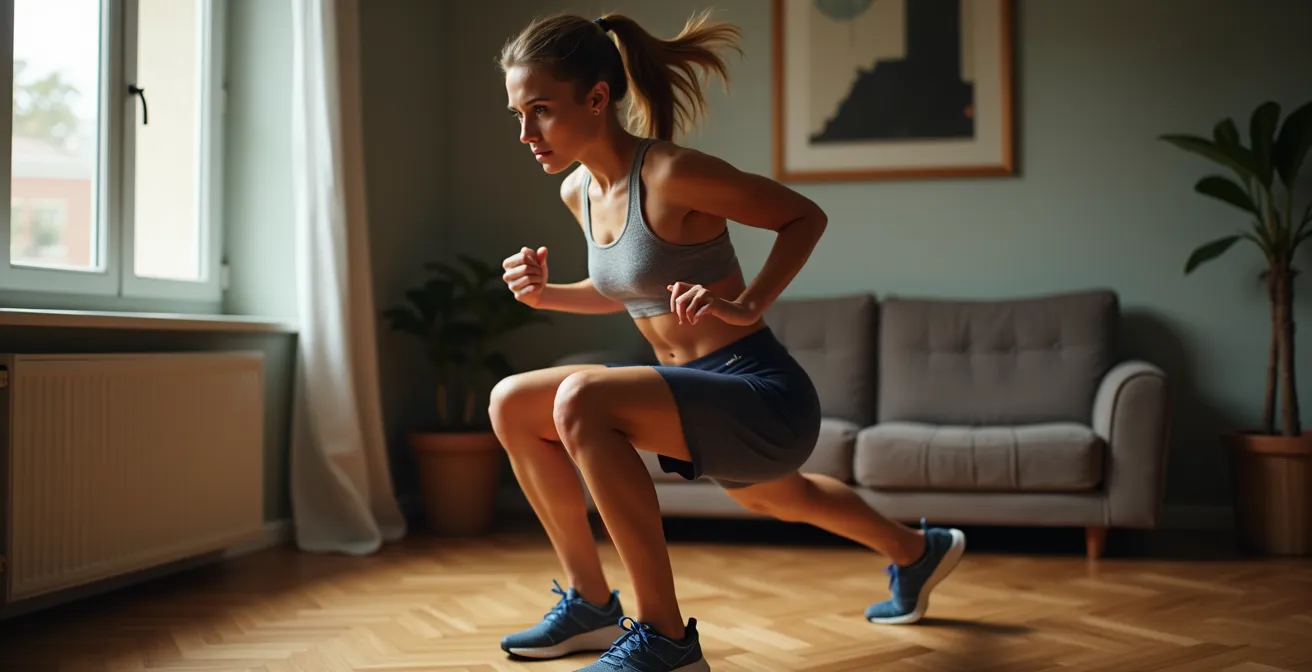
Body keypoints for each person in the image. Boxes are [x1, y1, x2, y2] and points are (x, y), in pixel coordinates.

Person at [491, 10, 967, 671]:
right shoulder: (579, 190)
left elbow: (804, 215)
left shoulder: (670, 174)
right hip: (694, 401)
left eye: (539, 110)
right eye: (518, 113)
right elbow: (628, 289)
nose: (525, 133)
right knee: (511, 402)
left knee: (580, 401)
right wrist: (547, 294)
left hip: (758, 393)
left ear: (597, 98)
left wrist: (748, 304)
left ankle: (665, 638)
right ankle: (920, 552)